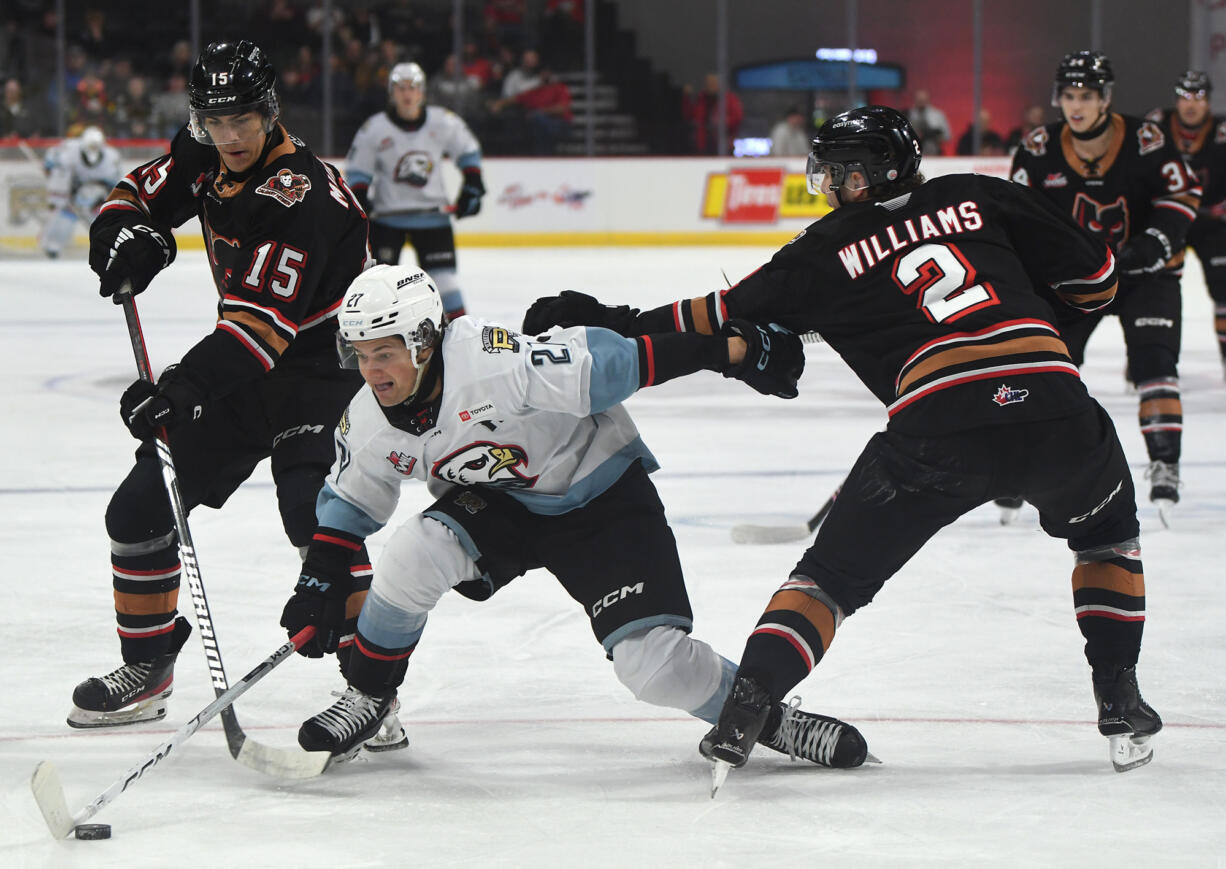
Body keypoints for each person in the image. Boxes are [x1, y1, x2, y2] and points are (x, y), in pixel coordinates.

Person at [521, 106, 1162, 787]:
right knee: (1105, 540)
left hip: (934, 429)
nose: (824, 182)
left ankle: (746, 709)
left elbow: (717, 315)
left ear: (870, 174)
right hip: (1055, 409)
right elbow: (1099, 280)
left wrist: (615, 322)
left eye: (834, 171)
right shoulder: (981, 192)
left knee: (826, 582)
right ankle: (1119, 693)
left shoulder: (822, 252)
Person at [278, 262, 870, 774]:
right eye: (360, 355)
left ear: (426, 342)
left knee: (652, 668)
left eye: (385, 353)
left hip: (601, 494)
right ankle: (369, 696)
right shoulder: (371, 417)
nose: (373, 371)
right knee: (414, 551)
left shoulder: (494, 363)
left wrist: (733, 351)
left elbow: (620, 362)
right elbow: (352, 501)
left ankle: (768, 719)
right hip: (504, 503)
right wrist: (322, 574)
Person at [67, 41, 372, 730]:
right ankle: (149, 668)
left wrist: (179, 388)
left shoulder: (302, 196)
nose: (229, 136)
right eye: (214, 119)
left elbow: (261, 329)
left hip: (325, 371)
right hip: (249, 367)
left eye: (243, 120)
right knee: (139, 509)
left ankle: (371, 686)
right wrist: (123, 236)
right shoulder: (205, 147)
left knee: (313, 510)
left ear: (270, 111)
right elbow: (139, 193)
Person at [1009, 51, 1201, 526]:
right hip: (1077, 280)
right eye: (1069, 96)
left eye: (1087, 96)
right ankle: (1029, 463)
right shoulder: (1037, 149)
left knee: (1156, 365)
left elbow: (1181, 194)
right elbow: (1015, 213)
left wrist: (1157, 240)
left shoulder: (1147, 139)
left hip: (1146, 274)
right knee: (1049, 367)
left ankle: (1165, 463)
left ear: (1105, 98)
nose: (1076, 106)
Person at [345, 61, 484, 319]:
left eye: (413, 87)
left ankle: (463, 339)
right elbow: (357, 171)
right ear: (391, 92)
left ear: (422, 91)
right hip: (386, 221)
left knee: (446, 287)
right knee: (376, 289)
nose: (407, 94)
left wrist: (473, 184)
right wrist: (361, 196)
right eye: (401, 88)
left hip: (433, 219)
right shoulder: (374, 128)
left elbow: (468, 151)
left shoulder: (443, 122)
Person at [1146, 71, 1226, 379]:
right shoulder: (1156, 125)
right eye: (1185, 97)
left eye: (1198, 98)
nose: (1191, 105)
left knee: (1223, 287)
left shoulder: (1221, 131)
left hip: (1211, 221)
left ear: (1208, 102)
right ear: (1176, 99)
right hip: (1170, 218)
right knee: (1150, 287)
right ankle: (1145, 355)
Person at [38, 125, 120, 258]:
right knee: (65, 214)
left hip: (96, 193)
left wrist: (104, 201)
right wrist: (49, 166)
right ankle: (53, 245)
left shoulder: (111, 158)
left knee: (103, 218)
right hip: (72, 187)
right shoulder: (69, 149)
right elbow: (52, 157)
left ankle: (109, 246)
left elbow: (116, 185)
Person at [907, 88, 951, 155]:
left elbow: (947, 136)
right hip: (912, 153)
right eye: (919, 100)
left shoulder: (937, 115)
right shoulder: (908, 114)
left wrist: (934, 136)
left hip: (933, 153)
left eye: (923, 100)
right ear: (915, 100)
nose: (921, 102)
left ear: (928, 100)